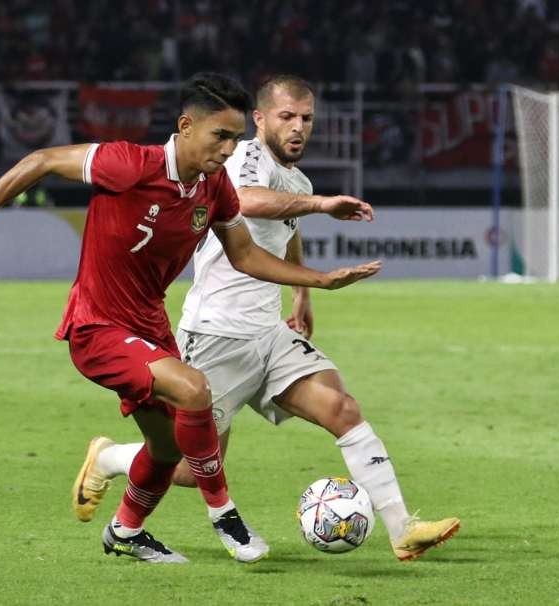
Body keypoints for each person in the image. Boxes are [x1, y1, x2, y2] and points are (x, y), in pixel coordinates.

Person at [0, 73, 381, 564]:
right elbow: (40, 160)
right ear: (186, 126)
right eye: (219, 136)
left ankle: (125, 531)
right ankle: (225, 516)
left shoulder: (214, 187)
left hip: (149, 327)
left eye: (233, 138)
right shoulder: (129, 164)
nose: (229, 149)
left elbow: (245, 255)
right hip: (98, 325)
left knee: (166, 452)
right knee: (193, 389)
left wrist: (317, 281)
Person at [72, 75, 459, 562]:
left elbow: (286, 230)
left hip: (268, 333)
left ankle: (403, 529)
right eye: (287, 117)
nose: (299, 128)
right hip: (215, 335)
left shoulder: (296, 180)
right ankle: (109, 457)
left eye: (307, 119)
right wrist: (321, 206)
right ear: (259, 119)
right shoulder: (242, 156)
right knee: (192, 468)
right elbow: (249, 200)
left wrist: (302, 294)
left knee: (343, 409)